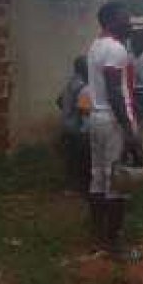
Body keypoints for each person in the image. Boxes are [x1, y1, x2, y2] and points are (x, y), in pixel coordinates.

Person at [87, 1, 140, 256]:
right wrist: (129, 129)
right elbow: (115, 92)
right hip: (112, 120)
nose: (129, 23)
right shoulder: (116, 49)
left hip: (97, 118)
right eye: (124, 18)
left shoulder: (95, 46)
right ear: (110, 21)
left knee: (98, 178)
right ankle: (115, 244)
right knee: (118, 182)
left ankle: (97, 235)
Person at [58, 55, 92, 194]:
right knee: (80, 159)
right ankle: (80, 188)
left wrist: (68, 112)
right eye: (88, 66)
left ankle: (70, 187)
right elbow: (84, 109)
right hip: (77, 128)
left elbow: (59, 100)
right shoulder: (82, 86)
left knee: (71, 158)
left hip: (67, 124)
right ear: (83, 68)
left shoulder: (71, 82)